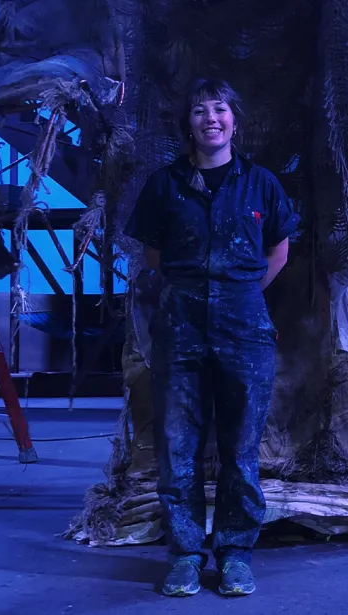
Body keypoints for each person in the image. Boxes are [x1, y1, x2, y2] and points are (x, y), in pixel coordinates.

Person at [124, 78, 299, 598]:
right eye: (199, 111)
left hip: (245, 327)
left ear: (235, 120)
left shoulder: (261, 183)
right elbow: (154, 255)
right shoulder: (164, 185)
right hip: (179, 326)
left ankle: (235, 554)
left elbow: (279, 253)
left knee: (241, 448)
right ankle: (183, 555)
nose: (211, 119)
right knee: (178, 448)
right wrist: (197, 290)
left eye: (220, 109)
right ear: (189, 125)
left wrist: (235, 293)